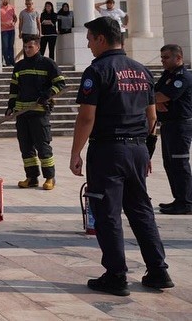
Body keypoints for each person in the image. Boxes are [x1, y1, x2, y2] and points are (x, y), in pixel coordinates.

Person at [69, 16, 173, 296]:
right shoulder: (142, 71)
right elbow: (152, 117)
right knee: (141, 210)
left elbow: (86, 117)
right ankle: (158, 271)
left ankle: (116, 275)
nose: (89, 45)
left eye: (90, 39)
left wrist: (75, 152)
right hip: (137, 148)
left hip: (108, 150)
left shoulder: (97, 71)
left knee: (107, 213)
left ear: (101, 39)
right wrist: (146, 151)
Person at [6, 35, 65, 190]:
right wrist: (11, 105)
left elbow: (61, 83)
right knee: (26, 147)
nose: (27, 50)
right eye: (25, 47)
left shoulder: (48, 64)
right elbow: (14, 88)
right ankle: (31, 178)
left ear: (38, 47)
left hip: (39, 112)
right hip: (22, 113)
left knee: (43, 146)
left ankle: (50, 177)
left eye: (30, 47)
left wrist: (47, 94)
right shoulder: (19, 66)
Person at [154, 44, 192, 214]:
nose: (163, 60)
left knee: (180, 163)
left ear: (178, 58)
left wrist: (156, 100)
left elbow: (165, 96)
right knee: (170, 163)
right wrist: (156, 101)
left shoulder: (182, 76)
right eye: (162, 57)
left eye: (166, 57)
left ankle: (186, 202)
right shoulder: (167, 75)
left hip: (180, 125)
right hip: (169, 125)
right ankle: (179, 199)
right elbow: (155, 93)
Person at [0, 0, 17, 66]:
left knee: (11, 46)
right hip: (4, 30)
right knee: (5, 46)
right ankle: (7, 61)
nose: (5, 0)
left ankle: (12, 61)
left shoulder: (12, 8)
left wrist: (13, 23)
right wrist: (4, 23)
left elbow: (15, 18)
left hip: (11, 30)